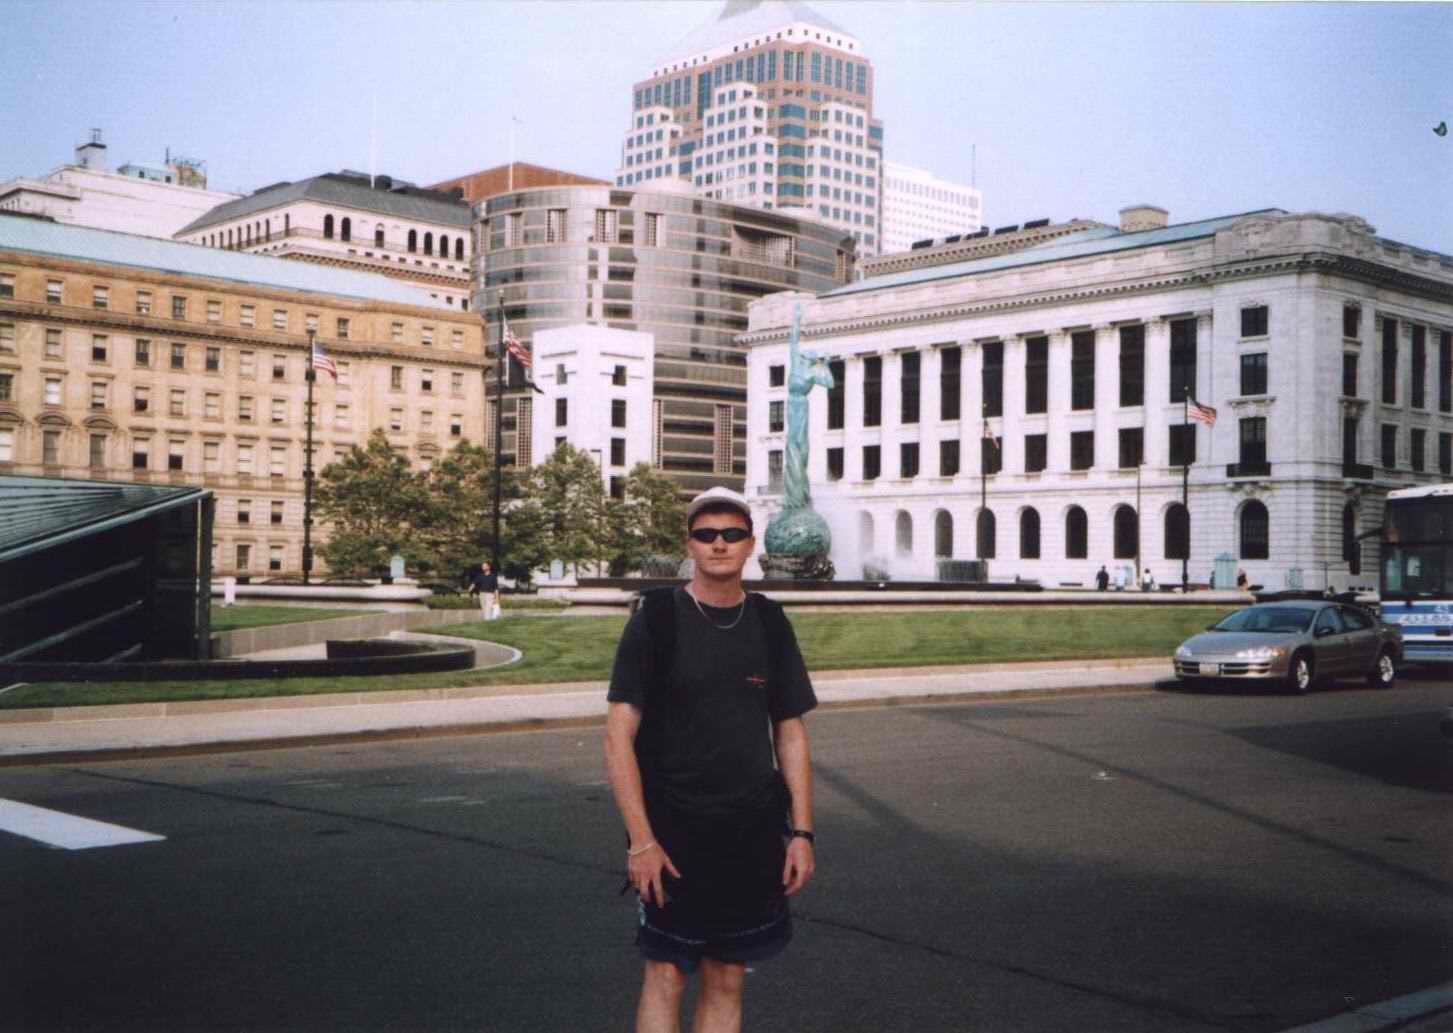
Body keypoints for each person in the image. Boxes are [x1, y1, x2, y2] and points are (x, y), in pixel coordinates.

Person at [605, 486, 817, 1033]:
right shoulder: (657, 618)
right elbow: (618, 737)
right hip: (671, 833)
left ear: (750, 544)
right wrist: (641, 841)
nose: (718, 544)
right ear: (689, 545)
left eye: (731, 534)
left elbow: (790, 732)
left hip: (751, 832)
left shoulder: (768, 621)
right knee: (667, 974)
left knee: (727, 976)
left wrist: (801, 832)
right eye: (705, 534)